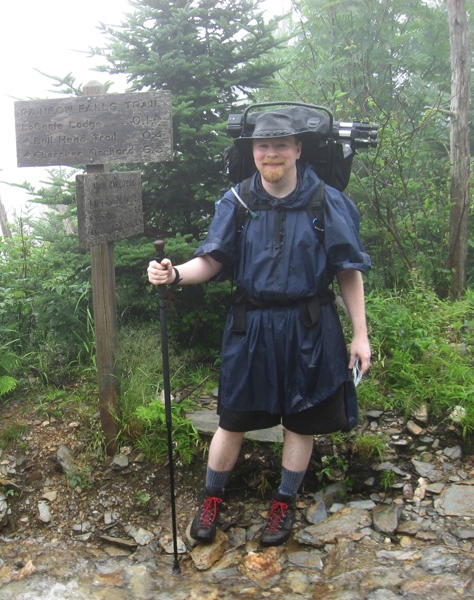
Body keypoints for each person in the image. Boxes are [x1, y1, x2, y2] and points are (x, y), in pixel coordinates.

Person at [147, 108, 372, 547]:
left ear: (298, 149)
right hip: (250, 326)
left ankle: (283, 503)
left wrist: (360, 333)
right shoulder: (238, 200)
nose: (271, 153)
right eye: (263, 146)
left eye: (280, 145)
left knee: (301, 422)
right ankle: (212, 499)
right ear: (252, 152)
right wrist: (174, 274)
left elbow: (348, 269)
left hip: (310, 325)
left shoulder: (324, 200)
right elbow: (211, 260)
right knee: (233, 419)